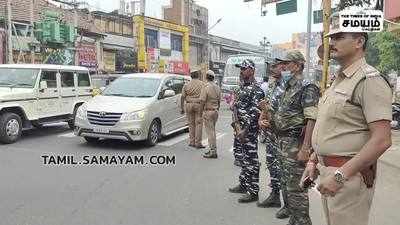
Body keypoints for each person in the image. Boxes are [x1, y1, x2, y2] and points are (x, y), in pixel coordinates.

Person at [301, 13, 392, 225]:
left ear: (359, 42)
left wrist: (341, 175)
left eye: (340, 37)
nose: (332, 42)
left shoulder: (369, 80)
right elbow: (332, 127)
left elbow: (382, 140)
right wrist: (314, 160)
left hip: (349, 176)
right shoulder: (339, 81)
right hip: (328, 171)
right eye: (331, 38)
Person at [272, 50, 320, 225]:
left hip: (295, 143)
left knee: (297, 189)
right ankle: (294, 220)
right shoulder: (288, 86)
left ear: (298, 65)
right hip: (283, 142)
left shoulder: (307, 86)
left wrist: (306, 147)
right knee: (287, 186)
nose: (283, 66)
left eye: (287, 63)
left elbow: (311, 118)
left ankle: (302, 222)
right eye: (283, 63)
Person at [257, 60, 291, 220]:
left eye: (275, 66)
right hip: (271, 135)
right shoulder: (271, 86)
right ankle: (275, 195)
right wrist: (261, 119)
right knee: (272, 165)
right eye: (270, 66)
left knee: (286, 171)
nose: (271, 68)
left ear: (283, 67)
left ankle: (289, 205)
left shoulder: (289, 86)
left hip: (284, 136)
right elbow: (266, 107)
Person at [228, 59, 265, 203]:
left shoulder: (257, 89)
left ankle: (253, 191)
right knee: (243, 158)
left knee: (252, 161)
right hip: (239, 129)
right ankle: (243, 184)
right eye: (241, 69)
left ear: (252, 70)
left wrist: (245, 130)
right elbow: (238, 107)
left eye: (244, 68)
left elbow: (255, 112)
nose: (241, 71)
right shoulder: (243, 87)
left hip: (248, 131)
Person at [181, 69, 206, 149]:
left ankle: (191, 142)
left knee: (191, 124)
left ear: (191, 76)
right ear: (198, 75)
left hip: (188, 105)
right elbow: (204, 96)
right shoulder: (202, 84)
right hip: (198, 105)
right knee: (198, 124)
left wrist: (182, 107)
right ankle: (198, 143)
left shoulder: (186, 85)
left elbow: (182, 97)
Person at [200, 70, 222, 158]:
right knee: (212, 131)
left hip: (208, 111)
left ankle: (213, 151)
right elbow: (219, 101)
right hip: (215, 111)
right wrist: (217, 109)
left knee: (210, 133)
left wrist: (201, 112)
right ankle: (212, 149)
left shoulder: (206, 87)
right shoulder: (217, 87)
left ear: (206, 77)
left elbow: (202, 100)